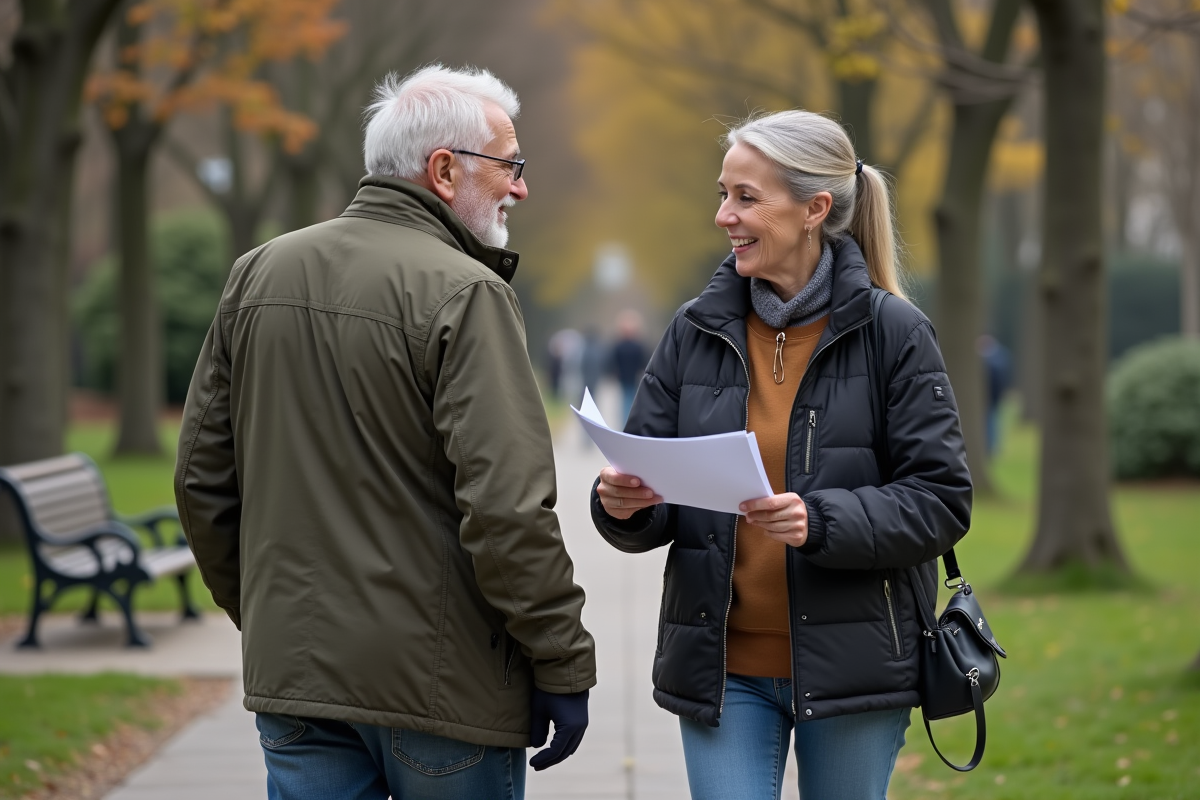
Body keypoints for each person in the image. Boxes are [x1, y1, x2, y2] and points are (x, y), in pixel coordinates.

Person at [175, 65, 596, 800]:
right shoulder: (468, 293)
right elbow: (506, 512)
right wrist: (563, 662)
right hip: (444, 688)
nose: (521, 188)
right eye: (510, 165)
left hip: (299, 680)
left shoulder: (257, 273)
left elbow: (201, 481)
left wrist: (269, 615)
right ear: (443, 169)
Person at [590, 110, 972, 800]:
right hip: (722, 667)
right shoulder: (695, 328)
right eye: (722, 194)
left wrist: (820, 520)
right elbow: (648, 477)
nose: (724, 216)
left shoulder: (895, 333)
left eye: (745, 197)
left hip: (856, 667)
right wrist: (622, 506)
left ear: (813, 209)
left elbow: (941, 500)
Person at [610, 310, 649, 424]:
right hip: (634, 377)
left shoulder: (618, 345)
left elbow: (614, 362)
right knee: (632, 400)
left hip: (623, 377)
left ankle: (625, 422)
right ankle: (630, 422)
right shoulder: (639, 346)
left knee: (625, 400)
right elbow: (644, 362)